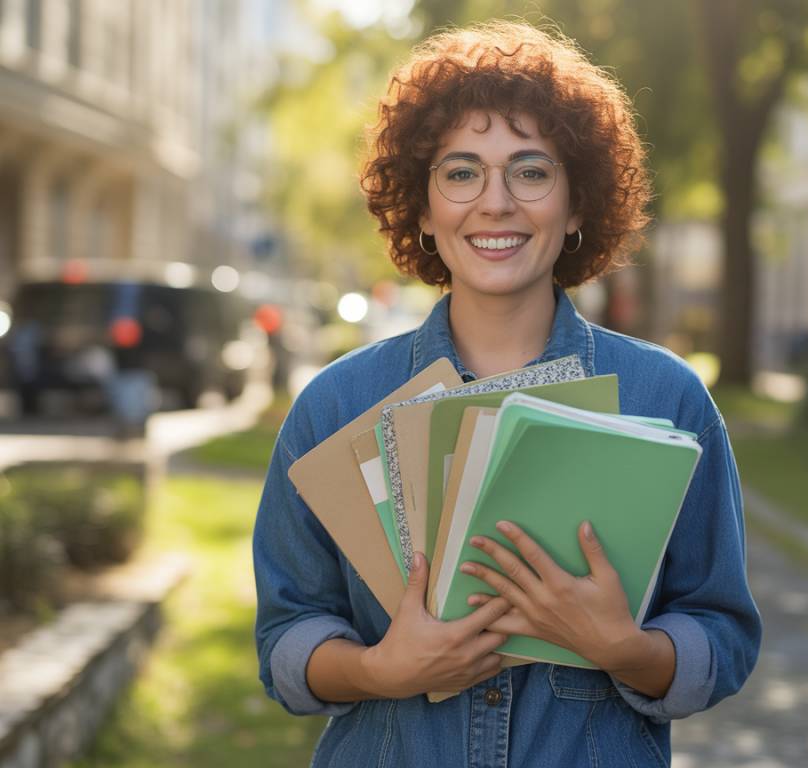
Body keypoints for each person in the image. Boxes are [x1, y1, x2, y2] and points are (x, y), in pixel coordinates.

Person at [254, 21, 760, 767]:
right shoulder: (334, 406)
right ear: (424, 210)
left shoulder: (668, 398)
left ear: (578, 204)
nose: (495, 203)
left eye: (531, 172)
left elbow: (721, 634)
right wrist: (377, 669)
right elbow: (285, 640)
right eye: (461, 173)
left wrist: (625, 648)